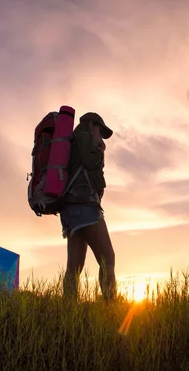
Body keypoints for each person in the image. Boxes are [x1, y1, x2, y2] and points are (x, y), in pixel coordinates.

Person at [60, 112, 116, 302]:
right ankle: (111, 307)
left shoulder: (73, 141)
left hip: (71, 211)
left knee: (73, 268)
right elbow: (91, 163)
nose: (101, 135)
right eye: (100, 130)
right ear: (92, 125)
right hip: (85, 208)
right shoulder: (84, 137)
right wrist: (100, 150)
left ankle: (68, 311)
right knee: (108, 258)